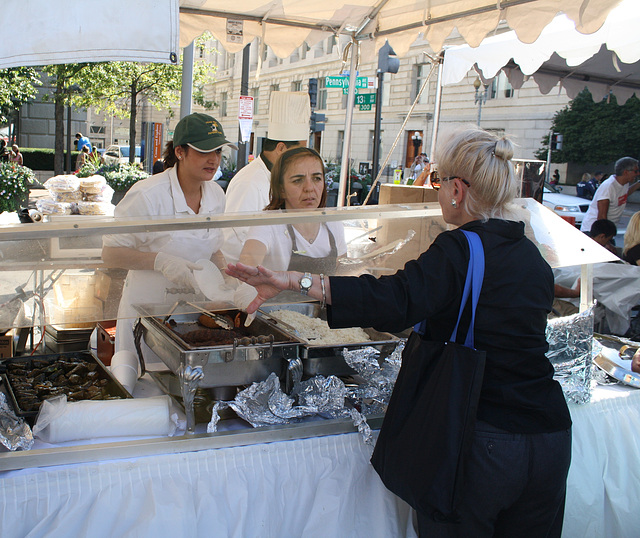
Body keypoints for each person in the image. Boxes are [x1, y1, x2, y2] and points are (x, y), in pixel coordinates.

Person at [227, 126, 572, 537]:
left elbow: (394, 300)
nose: (438, 191)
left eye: (439, 182)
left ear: (458, 190)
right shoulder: (528, 251)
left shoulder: (460, 248)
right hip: (550, 436)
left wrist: (294, 282)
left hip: (485, 440)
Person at [102, 112, 237, 355]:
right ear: (180, 152)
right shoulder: (148, 195)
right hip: (145, 312)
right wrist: (160, 262)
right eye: (204, 151)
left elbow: (214, 247)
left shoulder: (217, 195)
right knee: (145, 381)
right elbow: (110, 254)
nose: (213, 160)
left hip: (191, 315)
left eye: (217, 151)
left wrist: (227, 280)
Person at [222, 91, 310, 264]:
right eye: (299, 152)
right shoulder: (249, 183)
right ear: (281, 148)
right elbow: (235, 242)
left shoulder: (280, 178)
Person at [238, 146, 346, 274]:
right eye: (298, 180)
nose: (309, 188)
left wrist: (369, 262)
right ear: (281, 189)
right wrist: (251, 269)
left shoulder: (333, 224)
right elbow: (248, 260)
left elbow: (342, 270)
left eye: (316, 178)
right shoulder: (269, 223)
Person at [580, 157, 640, 232]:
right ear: (626, 172)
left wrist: (638, 183)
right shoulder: (608, 187)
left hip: (607, 230)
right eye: (636, 171)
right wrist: (606, 239)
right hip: (594, 232)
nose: (638, 173)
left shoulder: (624, 184)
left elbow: (623, 194)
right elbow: (601, 217)